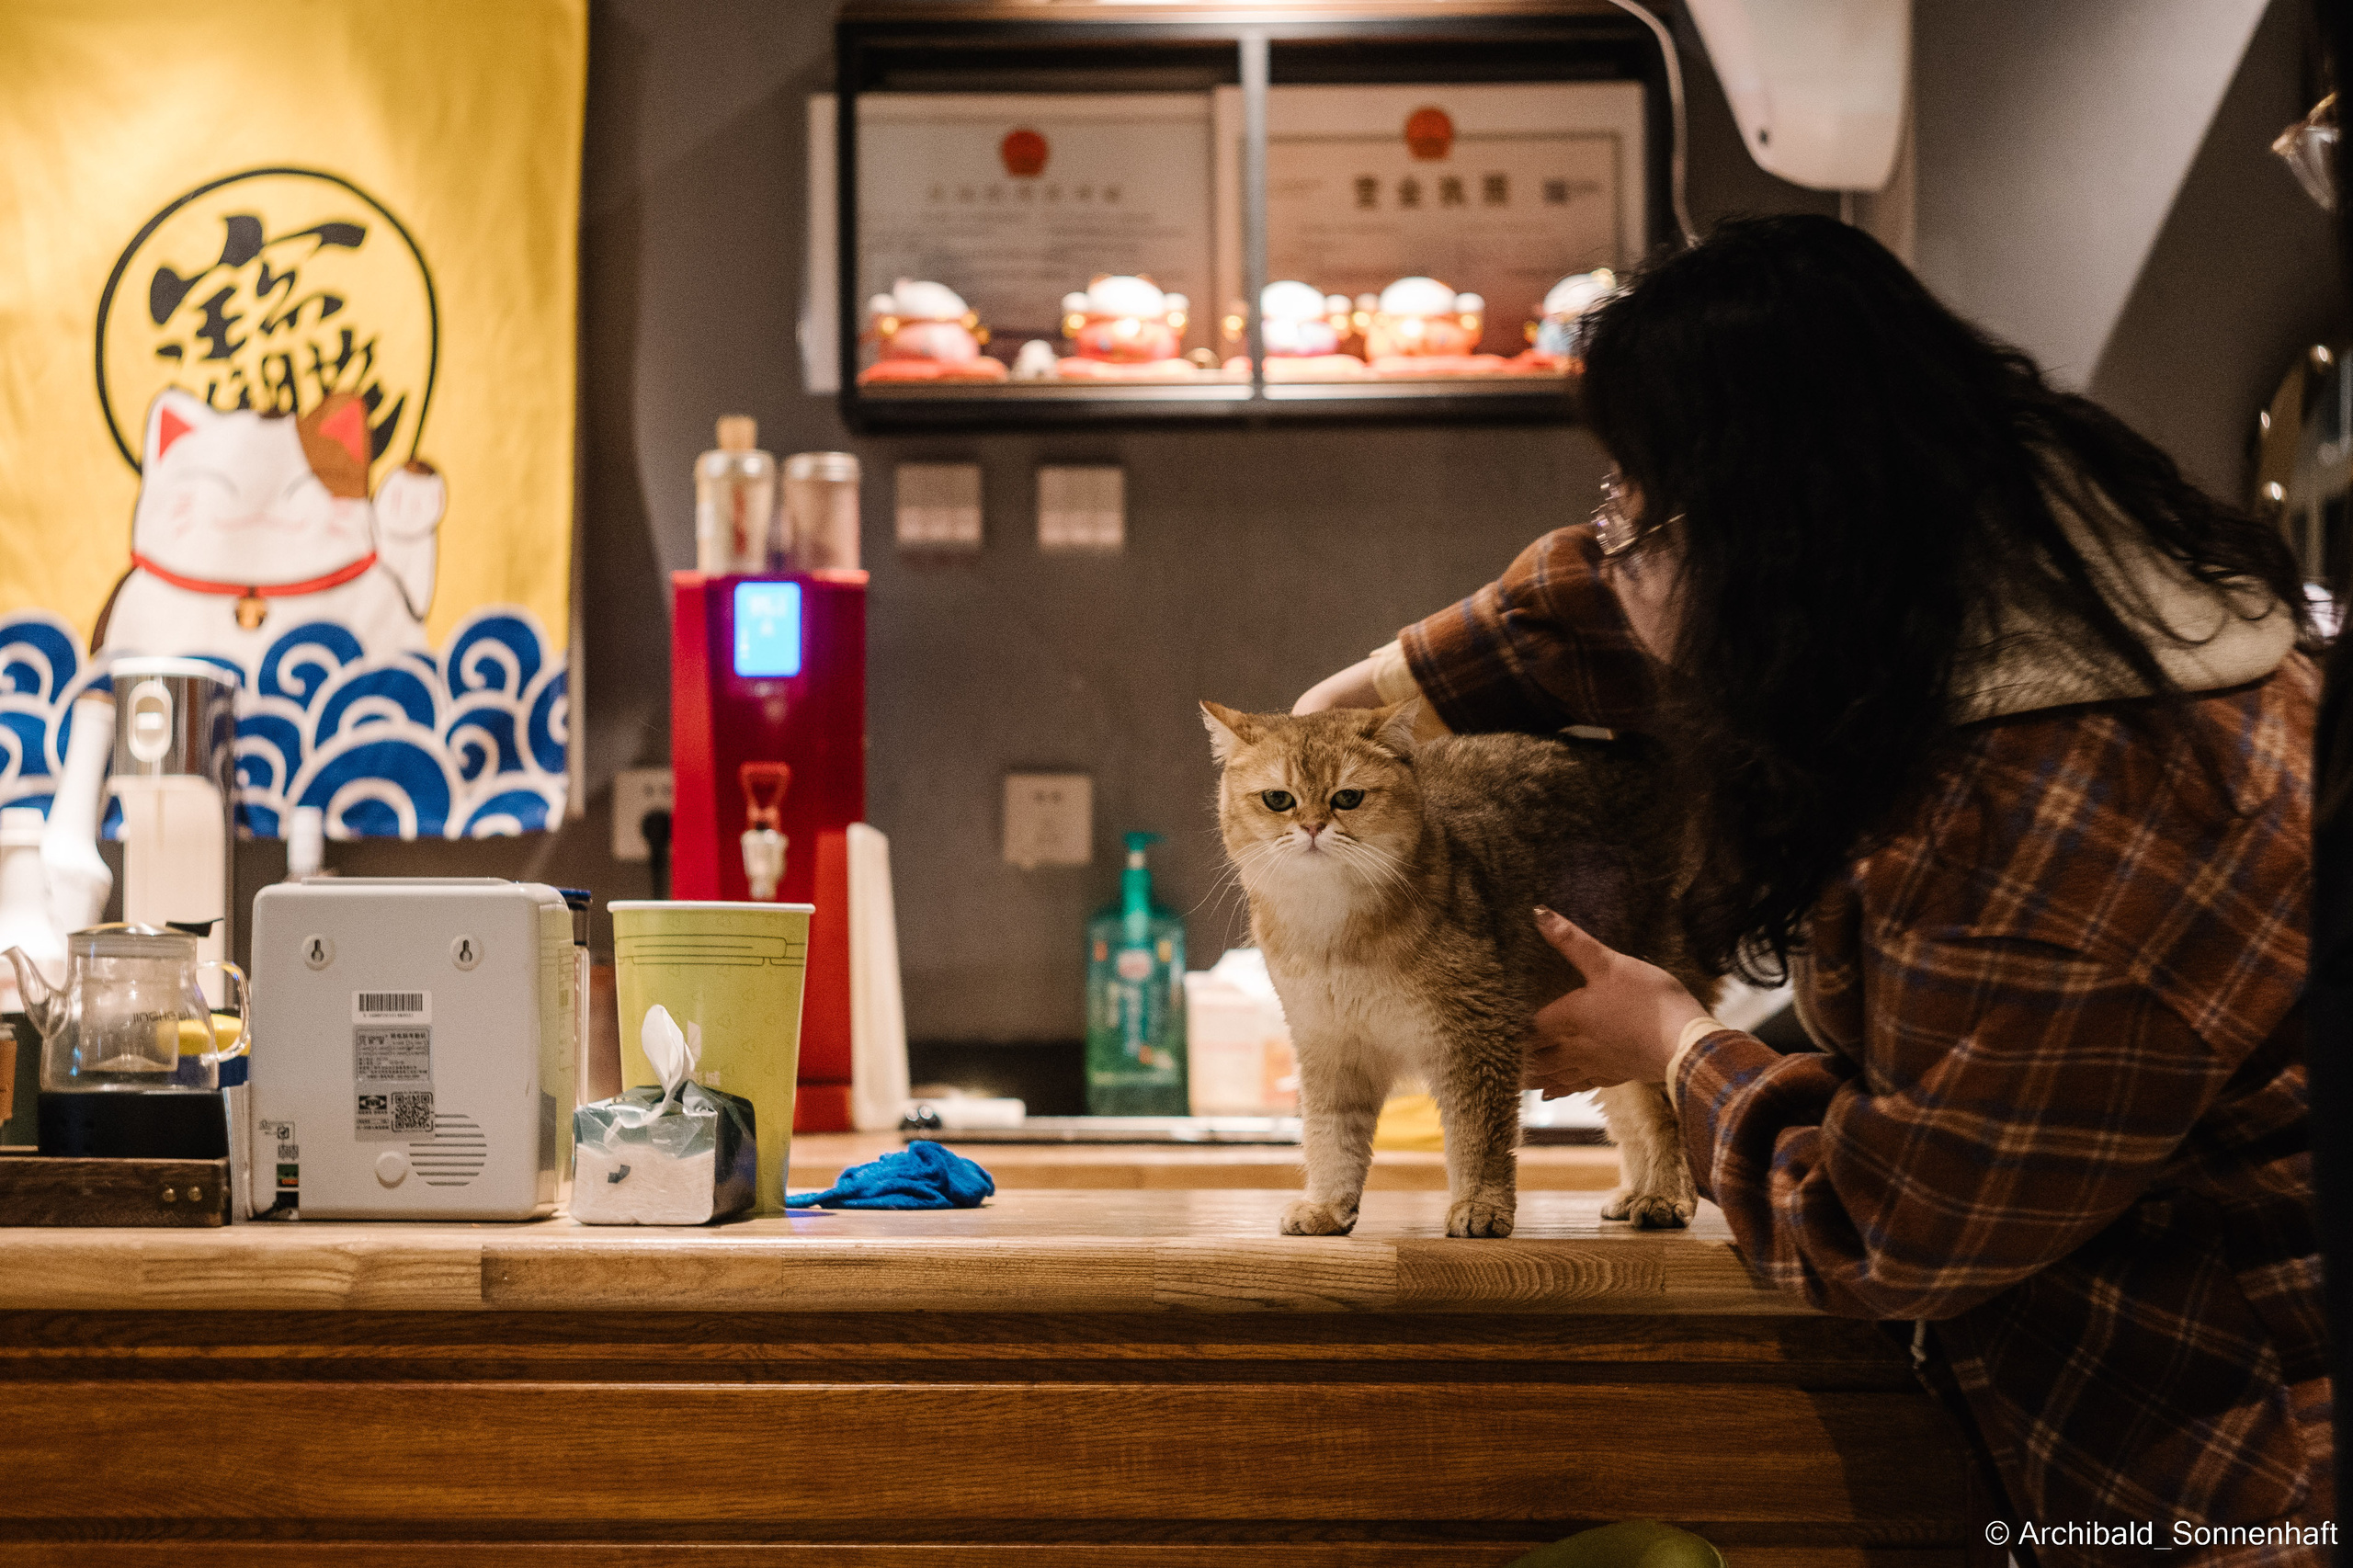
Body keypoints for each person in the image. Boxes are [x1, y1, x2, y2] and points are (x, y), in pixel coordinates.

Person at [1297, 215, 2332, 1565]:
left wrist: (1674, 1042)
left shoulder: (2062, 821)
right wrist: (1368, 696)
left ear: (1759, 530)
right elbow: (1606, 605)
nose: (1607, 537)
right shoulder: (2002, 563)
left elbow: (1890, 1225)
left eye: (1632, 499)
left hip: (2245, 1487)